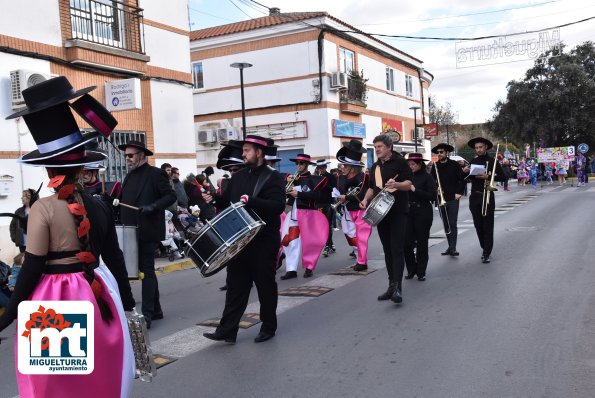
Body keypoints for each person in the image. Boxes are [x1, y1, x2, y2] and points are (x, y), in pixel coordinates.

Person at [0, 76, 136, 396]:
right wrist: (127, 302)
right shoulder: (100, 204)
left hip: (55, 303)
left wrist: (7, 317)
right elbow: (114, 258)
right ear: (83, 166)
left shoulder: (42, 209)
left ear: (47, 167)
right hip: (101, 294)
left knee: (56, 388)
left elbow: (32, 268)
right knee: (98, 382)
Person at [202, 135, 285, 344]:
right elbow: (228, 202)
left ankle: (268, 325)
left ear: (259, 152)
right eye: (243, 150)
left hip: (264, 239)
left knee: (265, 284)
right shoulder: (238, 177)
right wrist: (214, 198)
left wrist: (253, 201)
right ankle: (227, 330)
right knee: (235, 285)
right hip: (241, 239)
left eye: (247, 150)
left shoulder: (272, 177)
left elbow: (277, 206)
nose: (243, 153)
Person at [119, 140, 176, 328]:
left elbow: (170, 196)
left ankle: (148, 314)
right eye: (126, 155)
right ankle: (157, 309)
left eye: (130, 155)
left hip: (148, 229)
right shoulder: (129, 176)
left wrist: (153, 207)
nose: (127, 158)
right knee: (145, 270)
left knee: (147, 270)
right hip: (130, 231)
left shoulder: (155, 173)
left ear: (142, 155)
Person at [360, 134, 412, 304]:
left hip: (398, 211)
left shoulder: (400, 162)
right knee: (388, 250)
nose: (377, 150)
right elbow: (371, 187)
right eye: (375, 147)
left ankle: (398, 287)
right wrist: (366, 199)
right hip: (381, 213)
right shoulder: (374, 166)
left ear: (389, 147)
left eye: (380, 147)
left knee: (397, 249)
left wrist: (396, 185)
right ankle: (391, 286)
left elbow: (408, 184)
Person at [280, 154, 330, 279]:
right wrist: (287, 182)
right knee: (290, 241)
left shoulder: (315, 179)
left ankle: (309, 266)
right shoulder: (293, 178)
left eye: (301, 163)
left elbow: (318, 196)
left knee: (310, 242)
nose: (298, 166)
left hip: (308, 213)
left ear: (307, 165)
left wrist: (299, 194)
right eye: (297, 163)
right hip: (293, 213)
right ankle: (291, 269)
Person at [462, 137, 506, 264]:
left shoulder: (492, 161)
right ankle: (484, 247)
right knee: (477, 225)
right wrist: (464, 171)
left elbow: (503, 176)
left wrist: (488, 176)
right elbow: (465, 178)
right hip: (475, 196)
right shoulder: (473, 161)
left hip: (487, 195)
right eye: (476, 148)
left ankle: (487, 252)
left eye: (480, 147)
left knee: (487, 225)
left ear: (485, 147)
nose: (478, 150)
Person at [335, 139, 371, 271]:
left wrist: (347, 197)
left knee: (362, 237)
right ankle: (359, 255)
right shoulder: (342, 178)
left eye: (345, 166)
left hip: (361, 210)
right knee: (348, 233)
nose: (343, 168)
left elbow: (361, 194)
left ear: (352, 168)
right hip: (348, 210)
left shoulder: (362, 177)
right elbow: (340, 190)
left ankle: (362, 262)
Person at [404, 153, 436, 281]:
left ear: (420, 164)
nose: (410, 166)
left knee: (422, 242)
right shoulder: (406, 177)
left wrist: (414, 189)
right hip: (408, 211)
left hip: (423, 212)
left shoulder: (427, 177)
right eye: (409, 164)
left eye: (413, 164)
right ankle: (411, 269)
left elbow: (432, 196)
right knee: (406, 243)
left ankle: (421, 271)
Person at [430, 143, 465, 257]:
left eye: (441, 152)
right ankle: (450, 246)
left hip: (453, 198)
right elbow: (431, 182)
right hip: (441, 198)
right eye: (438, 152)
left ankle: (453, 247)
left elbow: (461, 180)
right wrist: (434, 192)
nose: (439, 154)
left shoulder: (454, 165)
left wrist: (459, 192)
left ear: (446, 153)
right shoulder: (435, 166)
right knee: (446, 224)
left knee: (452, 223)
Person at [314, 159, 337, 257]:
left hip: (328, 203)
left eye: (322, 167)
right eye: (319, 167)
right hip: (318, 204)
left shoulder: (331, 177)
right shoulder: (315, 177)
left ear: (325, 167)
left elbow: (334, 189)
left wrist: (324, 185)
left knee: (328, 225)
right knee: (321, 226)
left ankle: (327, 246)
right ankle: (330, 244)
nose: (321, 169)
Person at [9, 188, 38, 253]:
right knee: (24, 261)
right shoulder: (18, 211)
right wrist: (15, 238)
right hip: (23, 244)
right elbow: (12, 226)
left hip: (36, 243)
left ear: (29, 197)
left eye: (23, 196)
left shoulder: (38, 210)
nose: (21, 198)